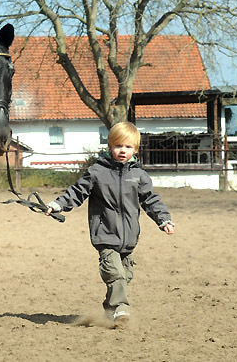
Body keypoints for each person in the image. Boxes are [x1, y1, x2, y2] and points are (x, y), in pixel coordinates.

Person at [45, 122, 174, 324]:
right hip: (105, 234)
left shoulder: (139, 175)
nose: (123, 150)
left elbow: (150, 200)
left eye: (128, 147)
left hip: (129, 238)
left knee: (124, 276)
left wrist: (163, 219)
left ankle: (109, 311)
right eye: (118, 146)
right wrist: (58, 204)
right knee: (115, 275)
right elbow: (77, 192)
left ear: (135, 149)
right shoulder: (97, 172)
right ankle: (121, 309)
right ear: (110, 146)